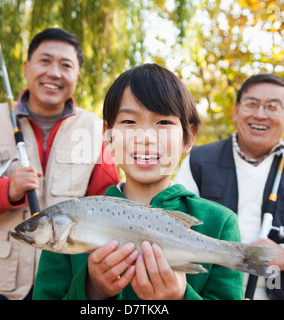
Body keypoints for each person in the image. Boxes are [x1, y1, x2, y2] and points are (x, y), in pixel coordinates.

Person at [33, 63, 245, 300]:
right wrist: (92, 291)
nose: (145, 138)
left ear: (189, 138)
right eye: (129, 122)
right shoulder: (65, 222)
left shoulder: (219, 223)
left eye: (163, 123)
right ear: (108, 135)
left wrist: (180, 297)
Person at [0, 28, 120, 300]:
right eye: (45, 61)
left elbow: (109, 203)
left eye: (66, 65)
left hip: (62, 285)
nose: (54, 72)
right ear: (27, 67)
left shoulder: (97, 131)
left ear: (77, 75)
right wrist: (7, 191)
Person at [174, 73, 284, 300]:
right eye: (252, 104)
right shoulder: (199, 160)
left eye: (272, 106)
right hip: (211, 294)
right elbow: (173, 223)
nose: (260, 114)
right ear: (236, 111)